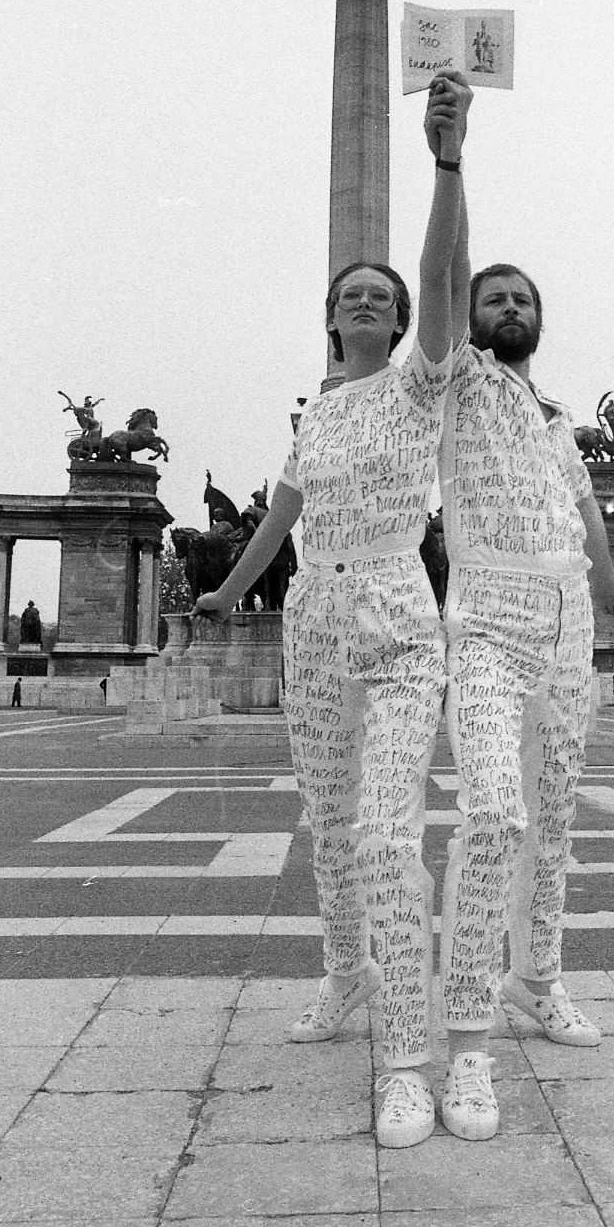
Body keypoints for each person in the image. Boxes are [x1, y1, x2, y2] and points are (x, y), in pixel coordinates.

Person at [192, 72, 471, 1151]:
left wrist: (445, 159)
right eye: (349, 295)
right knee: (330, 820)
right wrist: (224, 591)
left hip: (399, 613)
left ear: (400, 321)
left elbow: (446, 284)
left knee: (389, 831)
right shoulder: (316, 417)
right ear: (330, 317)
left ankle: (408, 1056)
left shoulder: (418, 385)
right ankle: (341, 976)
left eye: (381, 297)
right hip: (313, 614)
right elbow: (277, 521)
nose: (365, 303)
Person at [435, 210, 614, 1141]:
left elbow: (586, 510)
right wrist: (450, 157)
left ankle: (539, 976)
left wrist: (610, 585)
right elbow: (442, 272)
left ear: (539, 320)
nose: (507, 305)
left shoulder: (557, 416)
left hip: (567, 619)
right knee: (492, 811)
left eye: (521, 298)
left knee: (552, 817)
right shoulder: (456, 383)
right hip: (485, 613)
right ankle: (468, 1039)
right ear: (470, 314)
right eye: (493, 296)